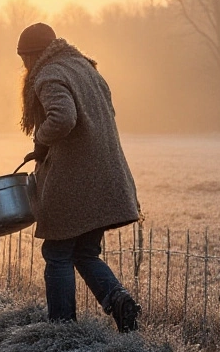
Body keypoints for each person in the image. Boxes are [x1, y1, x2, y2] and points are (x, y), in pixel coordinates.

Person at [17, 22, 142, 332]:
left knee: (57, 251)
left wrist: (41, 141)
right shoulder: (86, 68)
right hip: (105, 177)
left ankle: (62, 330)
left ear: (34, 55)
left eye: (24, 59)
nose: (24, 67)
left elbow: (63, 117)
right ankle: (120, 300)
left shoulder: (49, 75)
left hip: (74, 182)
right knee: (85, 252)